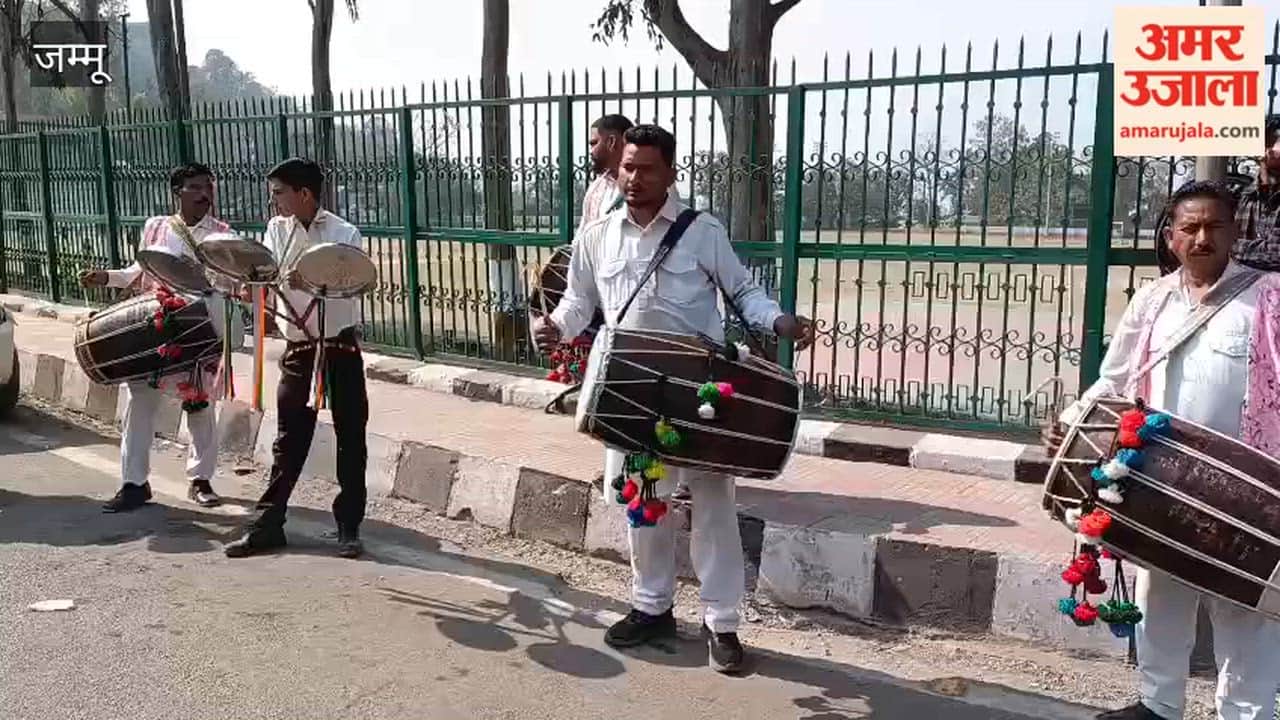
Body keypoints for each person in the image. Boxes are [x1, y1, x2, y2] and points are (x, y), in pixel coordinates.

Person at [533, 125, 815, 673]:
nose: (633, 179)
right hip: (632, 395)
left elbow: (743, 291)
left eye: (646, 170)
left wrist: (778, 320)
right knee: (644, 505)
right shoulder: (596, 236)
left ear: (671, 174)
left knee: (713, 507)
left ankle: (722, 622)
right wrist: (556, 330)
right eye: (627, 168)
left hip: (699, 395)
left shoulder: (701, 231)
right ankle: (651, 605)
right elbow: (576, 305)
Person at [1046, 181, 1280, 720]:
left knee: (1245, 612)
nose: (1203, 237)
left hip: (1245, 492)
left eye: (1215, 226)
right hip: (1160, 481)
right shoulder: (1152, 300)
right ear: (1171, 237)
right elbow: (1114, 379)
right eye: (1190, 228)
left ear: (1234, 232)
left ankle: (1247, 713)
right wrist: (1070, 425)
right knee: (1160, 600)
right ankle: (1158, 705)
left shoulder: (1267, 297)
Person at [223, 158, 369, 560]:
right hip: (299, 348)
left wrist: (313, 281)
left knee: (351, 436)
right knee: (288, 441)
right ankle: (268, 525)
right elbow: (266, 274)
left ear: (304, 194)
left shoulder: (344, 232)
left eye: (278, 193)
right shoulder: (276, 230)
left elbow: (352, 284)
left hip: (339, 347)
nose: (273, 202)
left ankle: (348, 526)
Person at [79, 163, 232, 512]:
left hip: (198, 330)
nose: (204, 193)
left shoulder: (223, 234)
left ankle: (201, 479)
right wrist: (107, 277)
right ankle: (134, 484)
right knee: (140, 405)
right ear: (176, 191)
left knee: (199, 405)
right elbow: (139, 272)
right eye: (194, 186)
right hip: (154, 328)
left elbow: (229, 283)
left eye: (208, 186)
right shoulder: (156, 227)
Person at [1232, 114, 1280, 272]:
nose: (1269, 150)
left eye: (1274, 141)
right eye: (1266, 142)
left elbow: (1275, 255)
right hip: (1240, 291)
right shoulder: (1241, 196)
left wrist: (1235, 248)